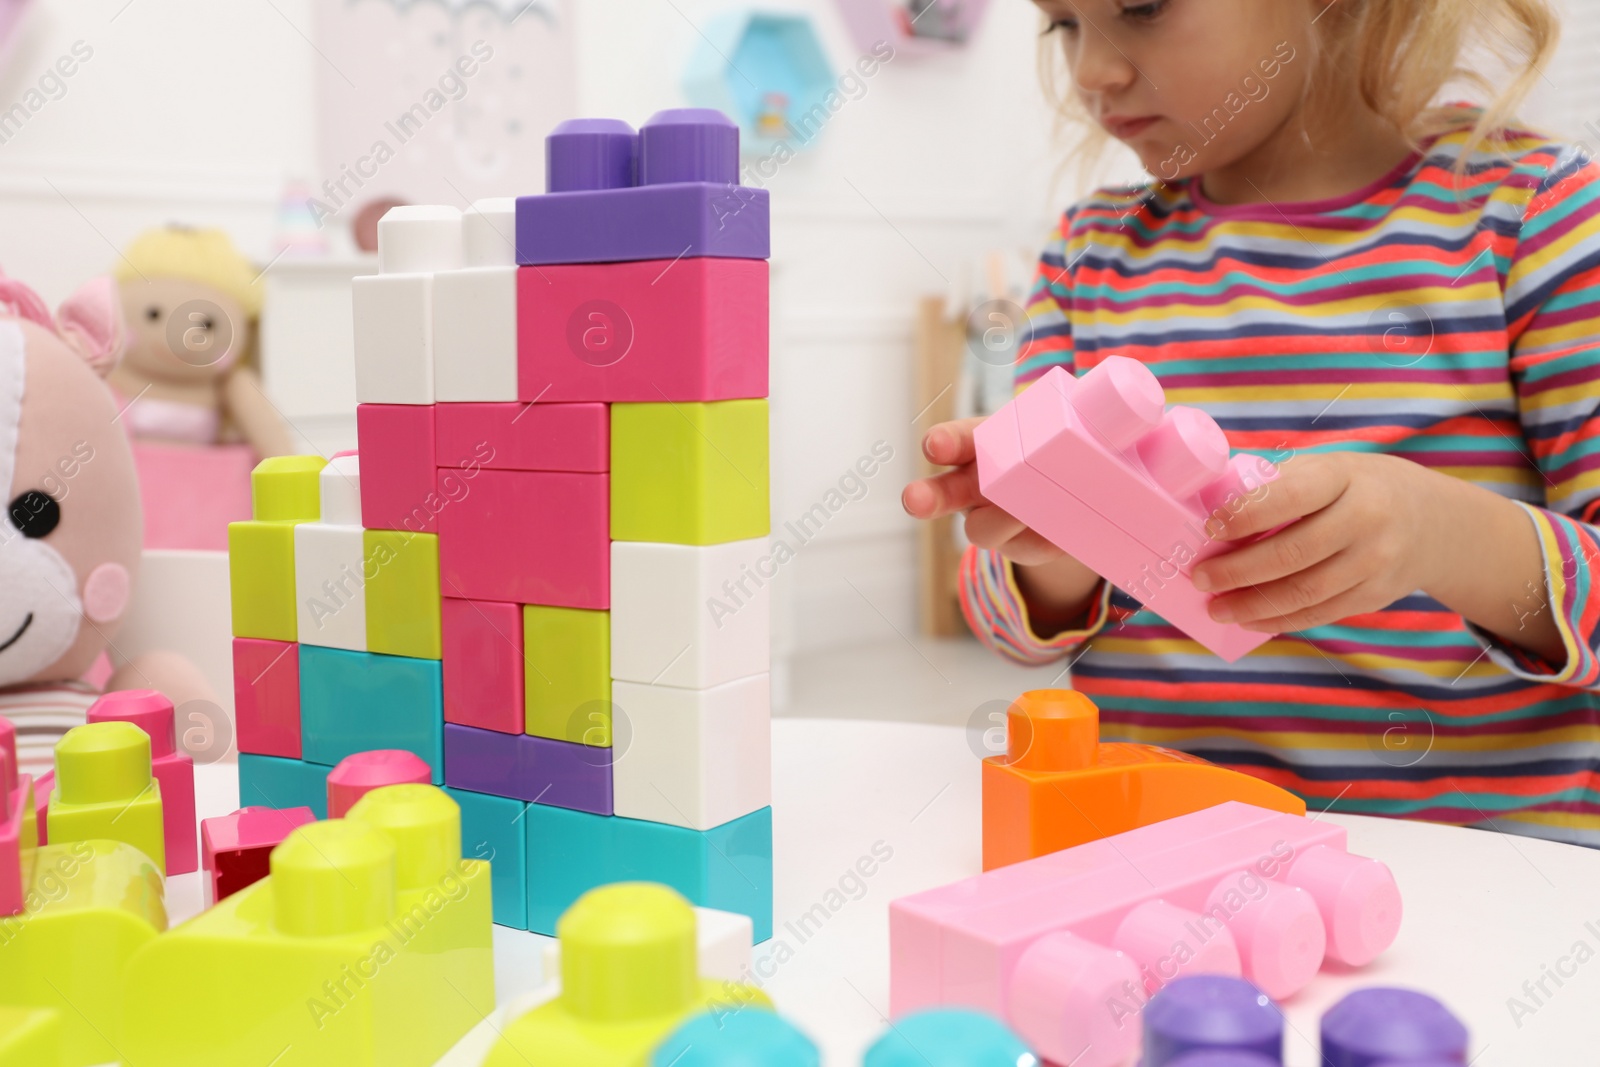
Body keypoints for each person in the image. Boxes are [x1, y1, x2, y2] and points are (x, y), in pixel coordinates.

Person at [902, 0, 1600, 845]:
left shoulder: (1534, 220)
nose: (1092, 72)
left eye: (1141, 10)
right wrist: (1061, 543)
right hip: (1154, 848)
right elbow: (1005, 624)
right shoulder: (1091, 255)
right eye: (1064, 25)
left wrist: (1440, 533)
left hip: (1466, 866)